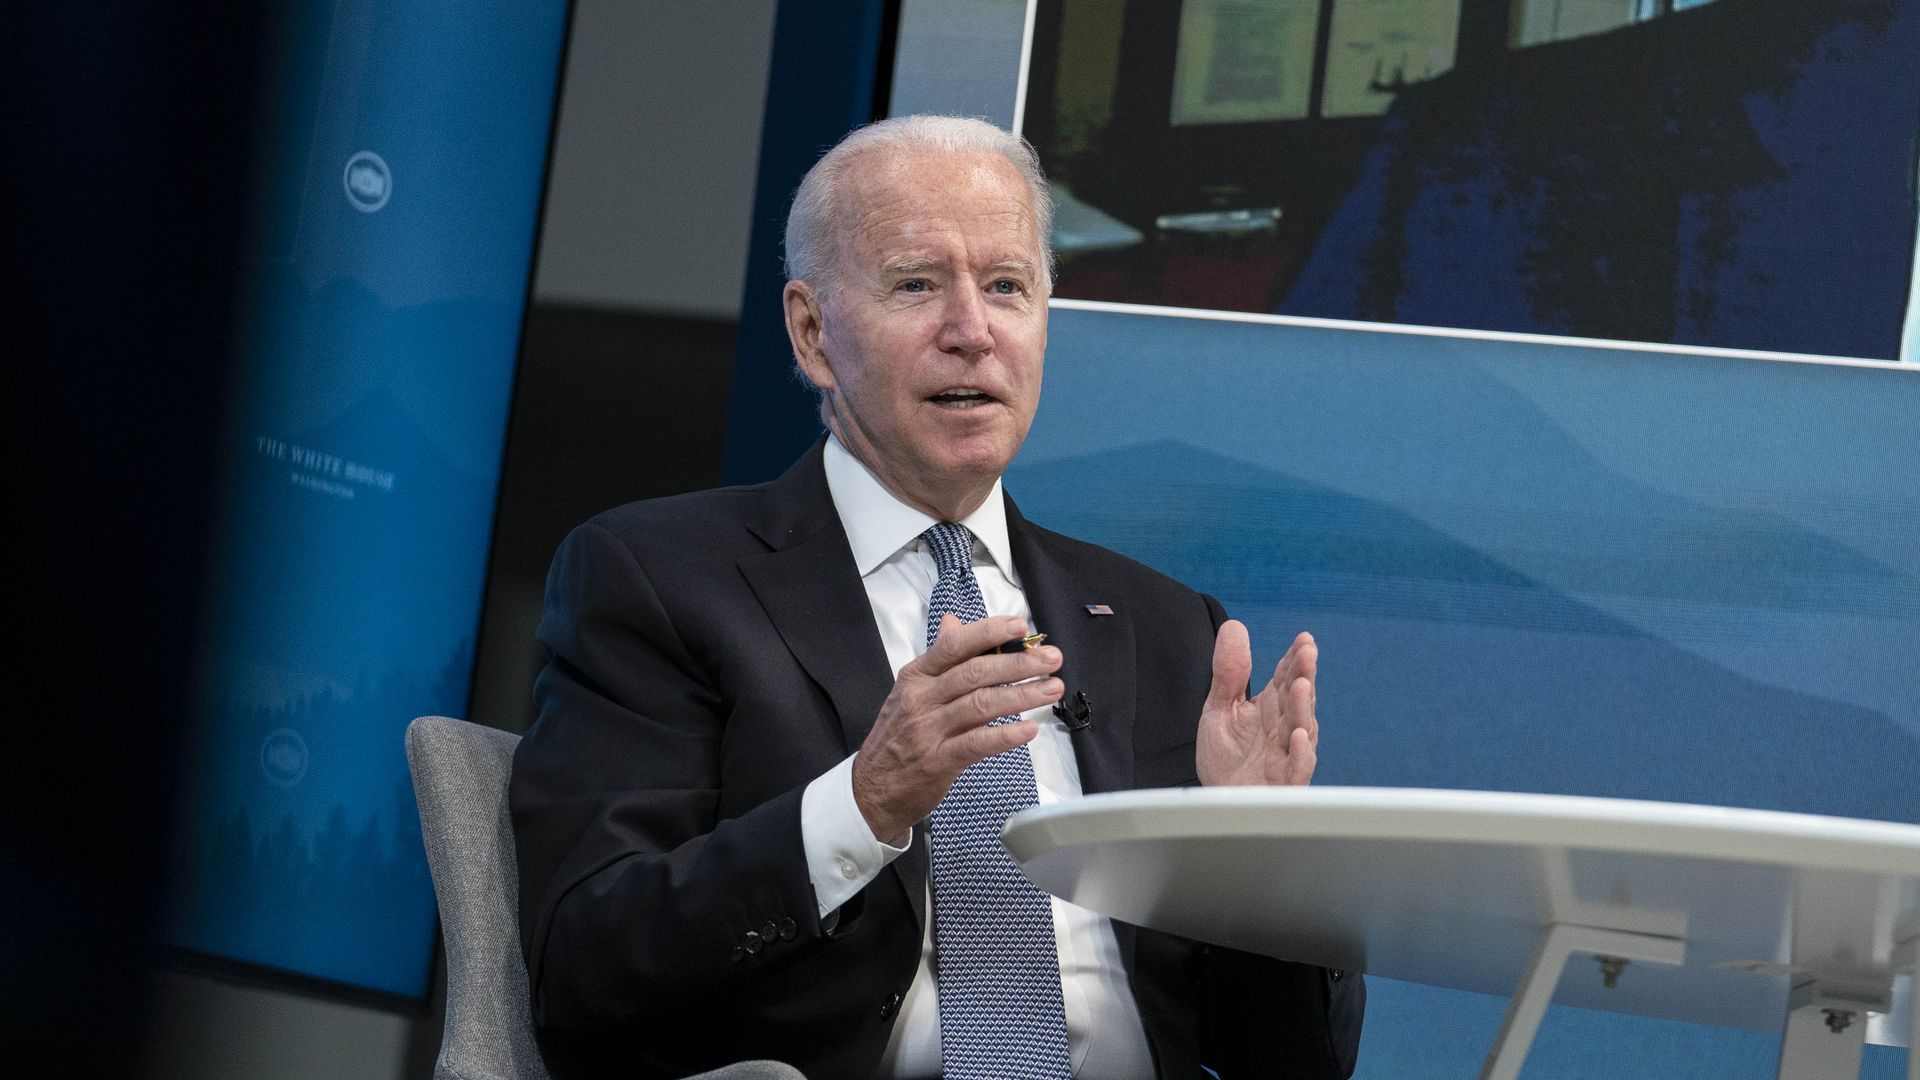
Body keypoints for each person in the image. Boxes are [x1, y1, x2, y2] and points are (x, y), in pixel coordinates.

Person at [510, 115, 1365, 1080]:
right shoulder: (658, 580)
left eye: (1007, 286)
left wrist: (1252, 871)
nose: (972, 332)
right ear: (812, 331)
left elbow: (1297, 1064)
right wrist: (864, 801)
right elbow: (583, 968)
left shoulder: (1170, 631)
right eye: (917, 284)